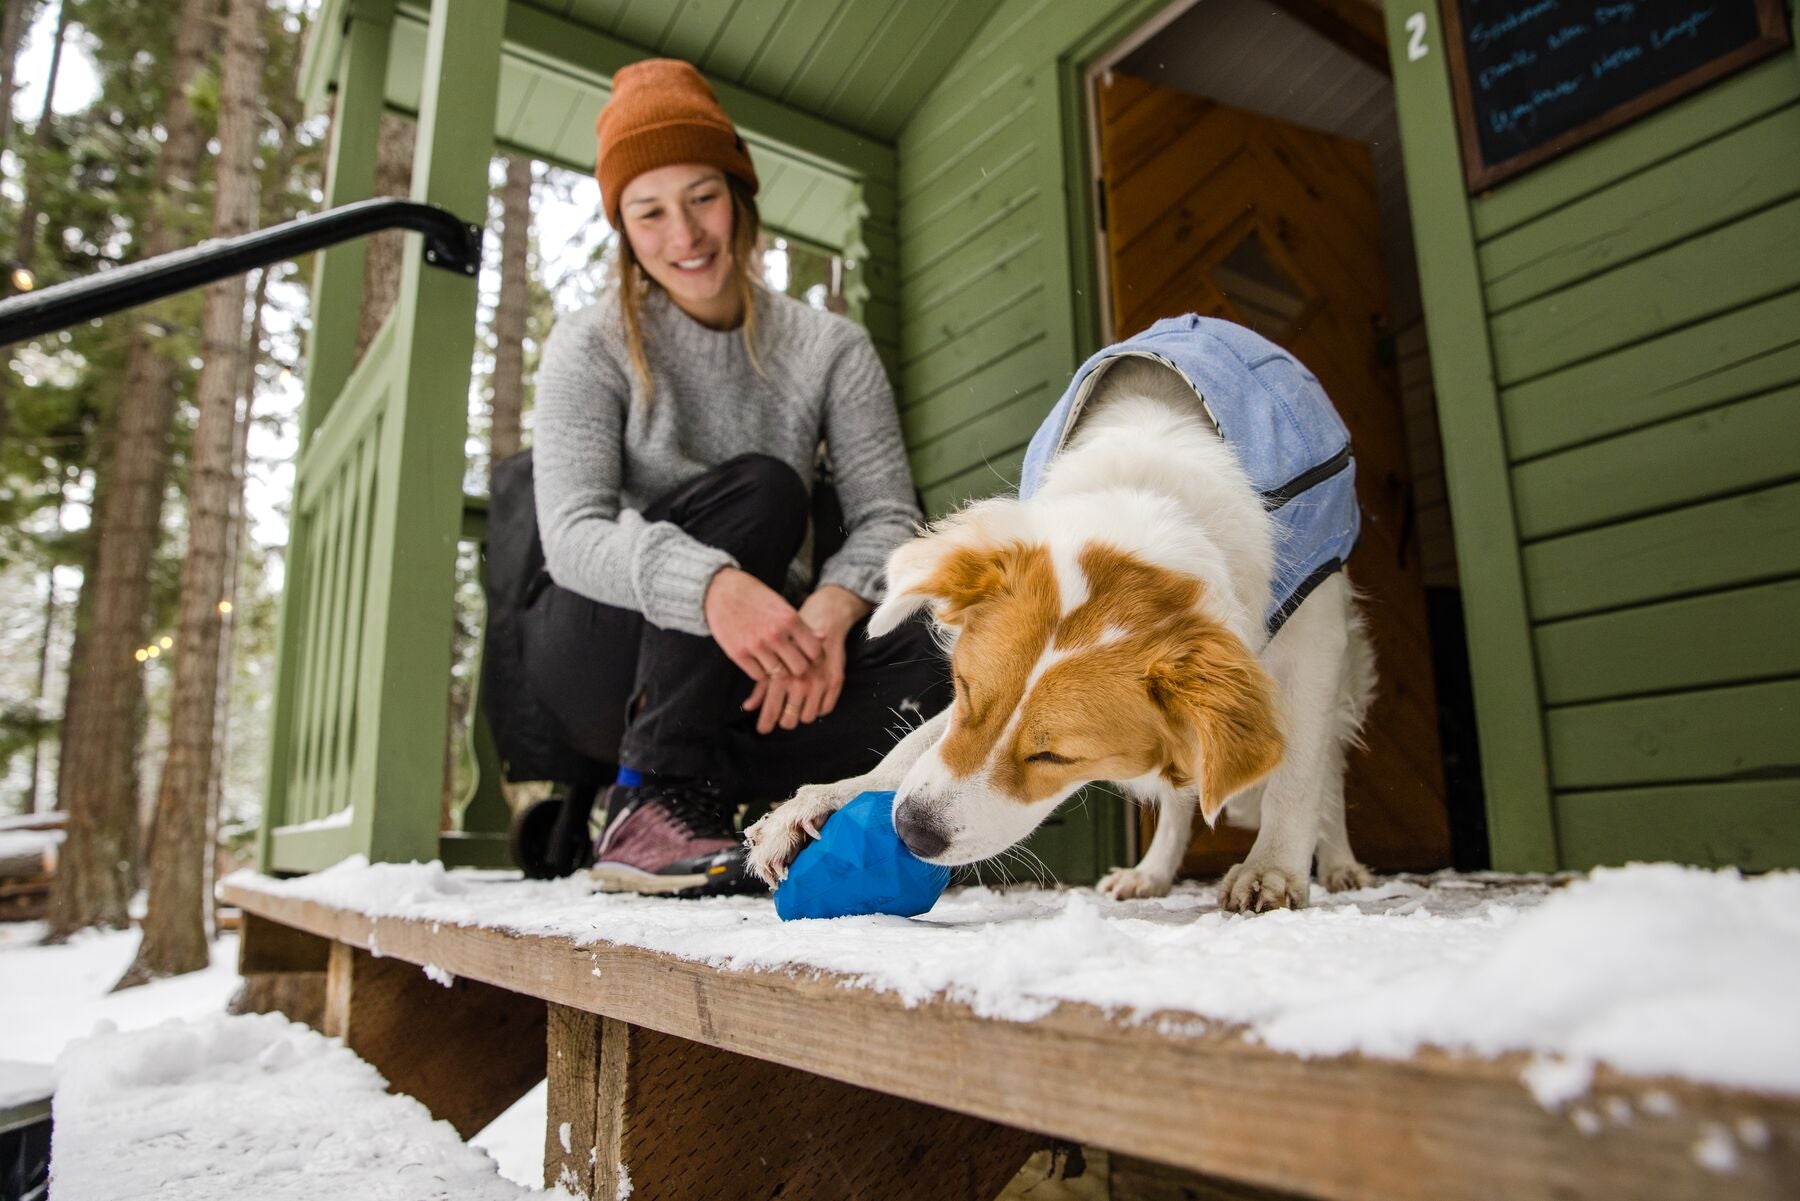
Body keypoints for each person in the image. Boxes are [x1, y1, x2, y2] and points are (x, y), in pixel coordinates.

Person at [525, 59, 949, 897]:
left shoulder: (830, 349)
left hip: (767, 665)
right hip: (609, 656)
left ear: (741, 197)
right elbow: (572, 533)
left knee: (941, 636)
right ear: (624, 228)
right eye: (649, 212)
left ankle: (751, 814)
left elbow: (891, 516)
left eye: (702, 198)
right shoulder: (590, 342)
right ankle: (646, 799)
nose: (683, 236)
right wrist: (714, 587)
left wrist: (831, 609)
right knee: (763, 488)